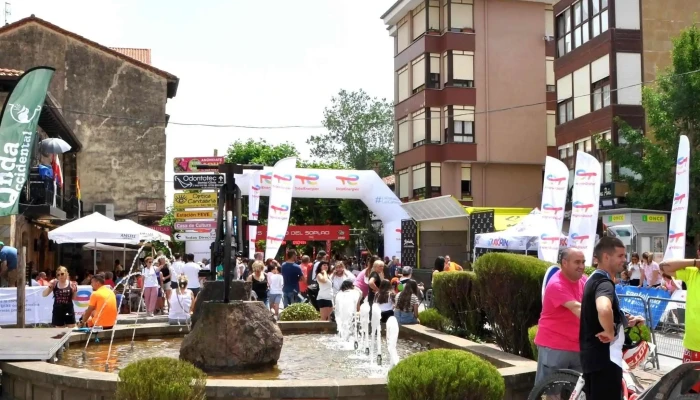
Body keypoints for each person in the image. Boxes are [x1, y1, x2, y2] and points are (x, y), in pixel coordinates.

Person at [580, 237, 645, 399]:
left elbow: (602, 312)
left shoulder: (594, 279)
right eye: (620, 256)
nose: (625, 259)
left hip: (595, 358)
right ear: (606, 257)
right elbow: (603, 308)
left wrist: (625, 320)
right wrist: (609, 331)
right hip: (605, 360)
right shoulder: (604, 282)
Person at [533, 248, 587, 384]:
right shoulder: (557, 284)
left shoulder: (584, 281)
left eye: (583, 262)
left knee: (577, 393)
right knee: (553, 393)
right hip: (555, 348)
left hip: (578, 347)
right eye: (577, 262)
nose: (581, 266)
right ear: (564, 262)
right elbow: (577, 308)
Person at [657, 258, 698, 364]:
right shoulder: (692, 272)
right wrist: (695, 262)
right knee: (691, 380)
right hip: (693, 343)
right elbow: (664, 267)